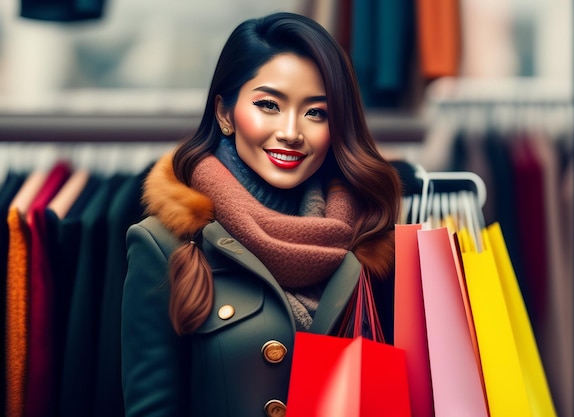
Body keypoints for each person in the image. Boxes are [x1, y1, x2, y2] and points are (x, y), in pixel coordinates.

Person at [121, 11, 402, 417]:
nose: (291, 131)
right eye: (269, 105)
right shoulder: (164, 244)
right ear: (224, 113)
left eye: (316, 112)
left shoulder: (373, 240)